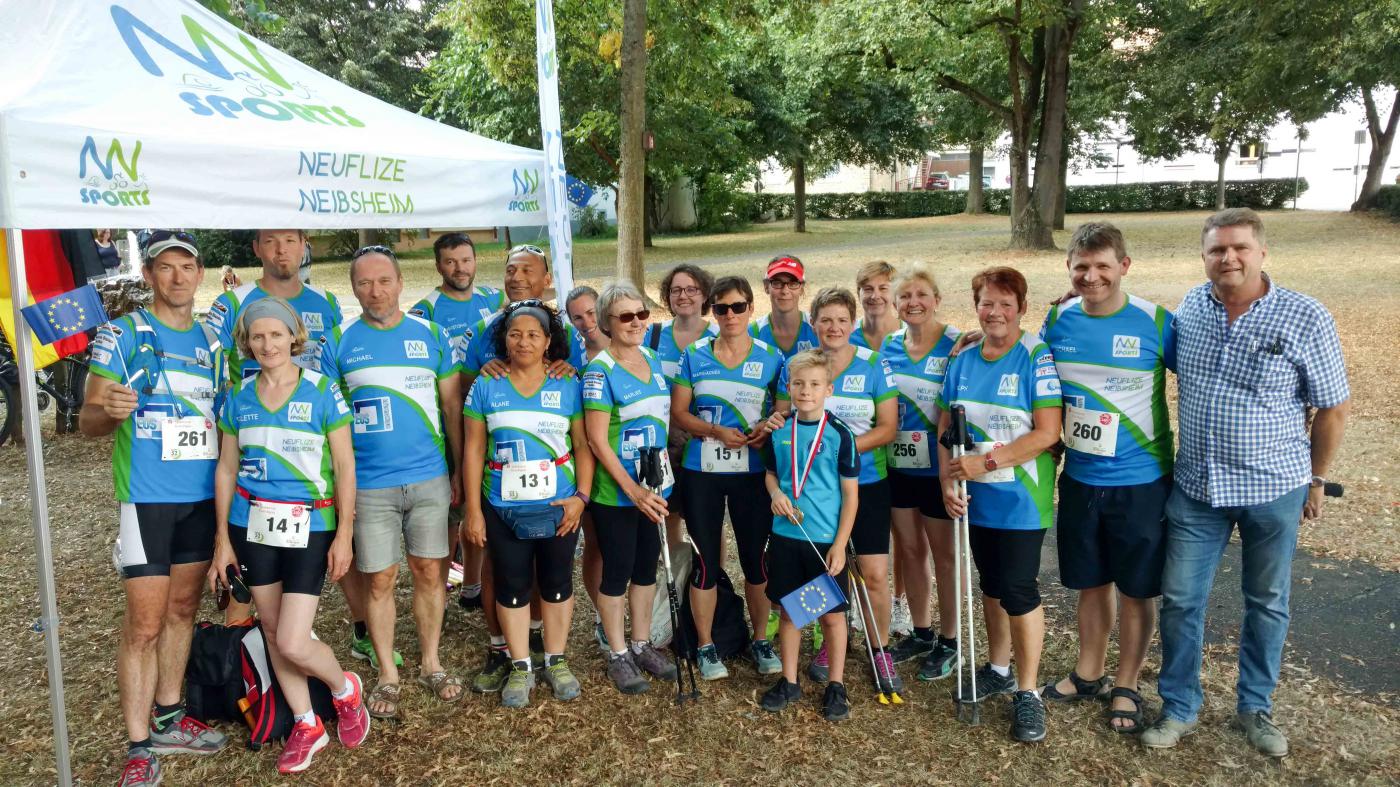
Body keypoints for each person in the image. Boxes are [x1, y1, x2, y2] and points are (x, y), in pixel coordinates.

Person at [1141, 209, 1349, 757]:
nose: (1228, 258)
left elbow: (1332, 406)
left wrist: (1317, 479)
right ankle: (1179, 706)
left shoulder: (1306, 316)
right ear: (1204, 256)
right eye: (1217, 249)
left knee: (1267, 601)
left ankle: (1255, 706)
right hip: (1198, 488)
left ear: (1262, 253)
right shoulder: (1192, 307)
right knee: (1181, 600)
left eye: (1239, 248)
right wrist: (1077, 305)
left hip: (1273, 489)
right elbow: (1143, 345)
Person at [81, 231, 230, 787]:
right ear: (148, 275)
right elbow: (89, 421)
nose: (177, 277)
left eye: (186, 266)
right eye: (164, 267)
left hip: (200, 498)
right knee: (144, 625)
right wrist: (109, 411)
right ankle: (139, 744)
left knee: (182, 610)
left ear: (200, 273)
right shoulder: (123, 335)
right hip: (147, 499)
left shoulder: (214, 340)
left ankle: (169, 717)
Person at [204, 229, 382, 669]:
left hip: (312, 444)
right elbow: (207, 354)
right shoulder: (233, 301)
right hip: (254, 440)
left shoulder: (326, 302)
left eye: (290, 240)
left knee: (331, 566)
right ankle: (246, 672)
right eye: (271, 241)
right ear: (257, 248)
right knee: (261, 606)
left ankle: (361, 631)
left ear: (305, 245)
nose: (281, 249)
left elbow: (336, 363)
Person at [207, 298, 370, 775]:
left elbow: (345, 465)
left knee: (294, 640)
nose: (267, 344)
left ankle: (344, 690)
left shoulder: (321, 390)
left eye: (276, 334)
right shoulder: (239, 395)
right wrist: (223, 538)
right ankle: (306, 722)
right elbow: (226, 468)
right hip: (253, 524)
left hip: (311, 524)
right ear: (246, 342)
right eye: (257, 336)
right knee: (273, 631)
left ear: (293, 337)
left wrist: (345, 532)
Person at [1038, 222, 1175, 733]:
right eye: (1082, 267)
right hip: (1080, 477)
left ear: (1124, 266)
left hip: (1141, 481)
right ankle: (1088, 673)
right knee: (1091, 583)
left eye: (1102, 266)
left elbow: (1203, 378)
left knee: (1137, 589)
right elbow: (1034, 373)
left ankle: (1127, 684)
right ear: (1068, 268)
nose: (1091, 276)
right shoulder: (1058, 318)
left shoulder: (1156, 321)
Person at [320, 246, 464, 719]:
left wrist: (458, 469)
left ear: (401, 283)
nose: (375, 291)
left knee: (429, 572)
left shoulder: (431, 334)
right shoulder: (338, 341)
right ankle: (387, 673)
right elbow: (328, 423)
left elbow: (451, 408)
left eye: (384, 281)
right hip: (369, 485)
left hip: (429, 478)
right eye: (364, 283)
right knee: (380, 578)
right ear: (353, 288)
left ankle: (431, 662)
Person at [938, 266, 1062, 744]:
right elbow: (945, 426)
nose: (995, 312)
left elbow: (1046, 433)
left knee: (1017, 587)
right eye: (986, 303)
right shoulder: (963, 358)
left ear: (1022, 308)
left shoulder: (1035, 355)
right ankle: (998, 668)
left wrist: (984, 463)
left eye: (1005, 304)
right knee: (990, 584)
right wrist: (947, 481)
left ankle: (1028, 692)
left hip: (1021, 497)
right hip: (975, 497)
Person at [459, 244, 586, 693]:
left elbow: (583, 444)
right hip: (500, 499)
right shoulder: (487, 376)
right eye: (515, 335)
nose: (524, 341)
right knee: (507, 578)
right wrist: (473, 510)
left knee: (555, 580)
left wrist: (581, 497)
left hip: (557, 500)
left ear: (549, 341)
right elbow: (473, 447)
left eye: (534, 335)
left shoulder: (567, 380)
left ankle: (553, 658)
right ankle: (514, 661)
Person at [772, 288, 899, 692]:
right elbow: (783, 417)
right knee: (822, 567)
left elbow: (888, 428)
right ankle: (830, 640)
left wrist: (834, 449)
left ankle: (880, 649)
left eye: (842, 320)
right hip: (813, 493)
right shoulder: (800, 365)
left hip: (865, 483)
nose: (834, 327)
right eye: (825, 319)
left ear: (853, 323)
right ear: (813, 324)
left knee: (873, 574)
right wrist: (788, 430)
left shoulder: (874, 363)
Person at [670, 276, 784, 679]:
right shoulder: (694, 354)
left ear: (751, 308)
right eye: (721, 309)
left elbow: (783, 408)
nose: (730, 315)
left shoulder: (771, 357)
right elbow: (679, 413)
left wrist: (767, 426)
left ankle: (761, 640)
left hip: (752, 473)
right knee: (705, 562)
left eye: (737, 307)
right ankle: (705, 645)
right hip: (702, 471)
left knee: (756, 561)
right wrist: (715, 431)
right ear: (713, 312)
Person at [582, 282, 681, 694]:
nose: (637, 322)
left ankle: (641, 644)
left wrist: (651, 486)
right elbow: (596, 440)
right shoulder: (599, 370)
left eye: (642, 314)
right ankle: (618, 652)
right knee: (617, 572)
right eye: (626, 316)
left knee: (645, 568)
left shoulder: (653, 359)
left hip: (655, 485)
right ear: (607, 323)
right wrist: (632, 490)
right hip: (617, 492)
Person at [759, 349, 859, 721]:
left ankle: (836, 684)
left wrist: (840, 545)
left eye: (815, 384)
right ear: (789, 387)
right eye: (799, 384)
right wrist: (775, 494)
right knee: (790, 613)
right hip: (787, 535)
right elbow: (771, 474)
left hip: (824, 540)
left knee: (831, 617)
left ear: (828, 389)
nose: (806, 391)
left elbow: (851, 496)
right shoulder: (779, 429)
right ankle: (789, 681)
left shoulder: (840, 434)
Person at [409, 232, 504, 615]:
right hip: (451, 420)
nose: (459, 268)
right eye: (450, 262)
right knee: (452, 506)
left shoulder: (493, 300)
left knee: (480, 503)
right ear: (438, 266)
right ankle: (439, 590)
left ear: (476, 260)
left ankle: (473, 584)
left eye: (465, 260)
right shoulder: (424, 309)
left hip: (490, 418)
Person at [881, 264, 964, 682]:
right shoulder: (889, 346)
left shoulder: (957, 344)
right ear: (895, 304)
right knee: (910, 550)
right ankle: (921, 631)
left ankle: (951, 639)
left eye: (921, 295)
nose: (913, 303)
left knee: (944, 557)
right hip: (898, 466)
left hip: (939, 469)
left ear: (936, 300)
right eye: (905, 297)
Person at [565, 285, 610, 649]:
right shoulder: (568, 356)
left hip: (621, 459)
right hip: (585, 459)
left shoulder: (627, 346)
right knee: (595, 542)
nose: (586, 322)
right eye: (577, 317)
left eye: (592, 312)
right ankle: (602, 617)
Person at [750, 255, 818, 360]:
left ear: (801, 288)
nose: (785, 291)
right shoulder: (752, 334)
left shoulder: (818, 329)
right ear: (766, 287)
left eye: (793, 283)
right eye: (777, 283)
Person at [850, 260, 901, 351]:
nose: (875, 296)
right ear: (858, 293)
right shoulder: (845, 334)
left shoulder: (909, 334)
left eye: (883, 288)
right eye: (868, 289)